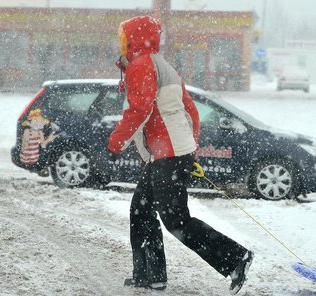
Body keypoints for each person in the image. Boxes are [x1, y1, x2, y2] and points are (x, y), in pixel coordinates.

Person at [107, 15, 253, 294]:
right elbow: (191, 112)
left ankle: (236, 258)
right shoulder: (163, 66)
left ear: (134, 38)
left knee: (176, 221)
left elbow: (140, 110)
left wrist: (116, 144)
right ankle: (150, 276)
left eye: (123, 37)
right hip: (170, 154)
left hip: (169, 155)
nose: (121, 42)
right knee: (140, 211)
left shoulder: (141, 66)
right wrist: (189, 149)